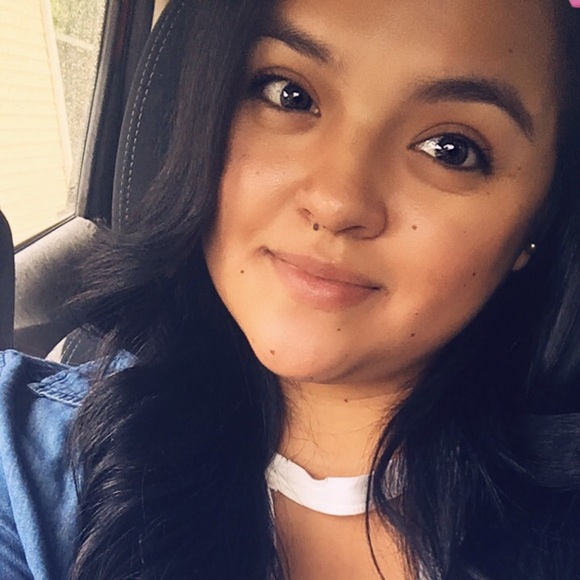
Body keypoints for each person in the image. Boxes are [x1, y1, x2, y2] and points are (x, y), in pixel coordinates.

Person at [1, 0, 580, 578]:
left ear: (538, 219)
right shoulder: (26, 464)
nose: (336, 203)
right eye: (289, 95)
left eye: (450, 150)